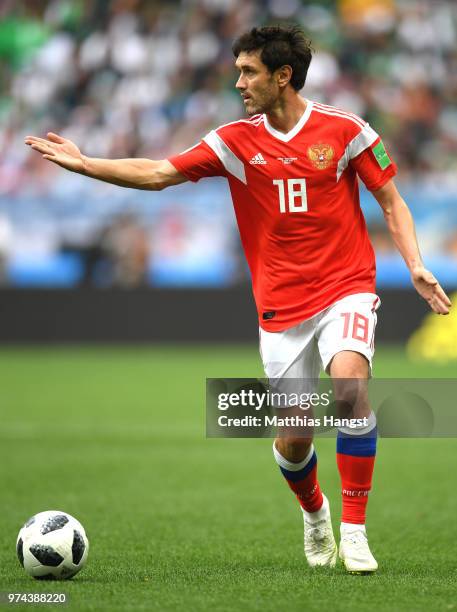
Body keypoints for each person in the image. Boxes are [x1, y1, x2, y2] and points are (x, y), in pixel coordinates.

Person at [25, 24, 451, 574]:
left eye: (248, 71)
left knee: (350, 388)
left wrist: (414, 262)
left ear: (283, 76)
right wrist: (87, 164)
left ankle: (355, 531)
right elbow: (158, 173)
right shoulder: (233, 141)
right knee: (295, 437)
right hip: (281, 306)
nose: (238, 81)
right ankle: (314, 512)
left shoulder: (346, 131)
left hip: (347, 284)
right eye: (238, 70)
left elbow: (390, 200)